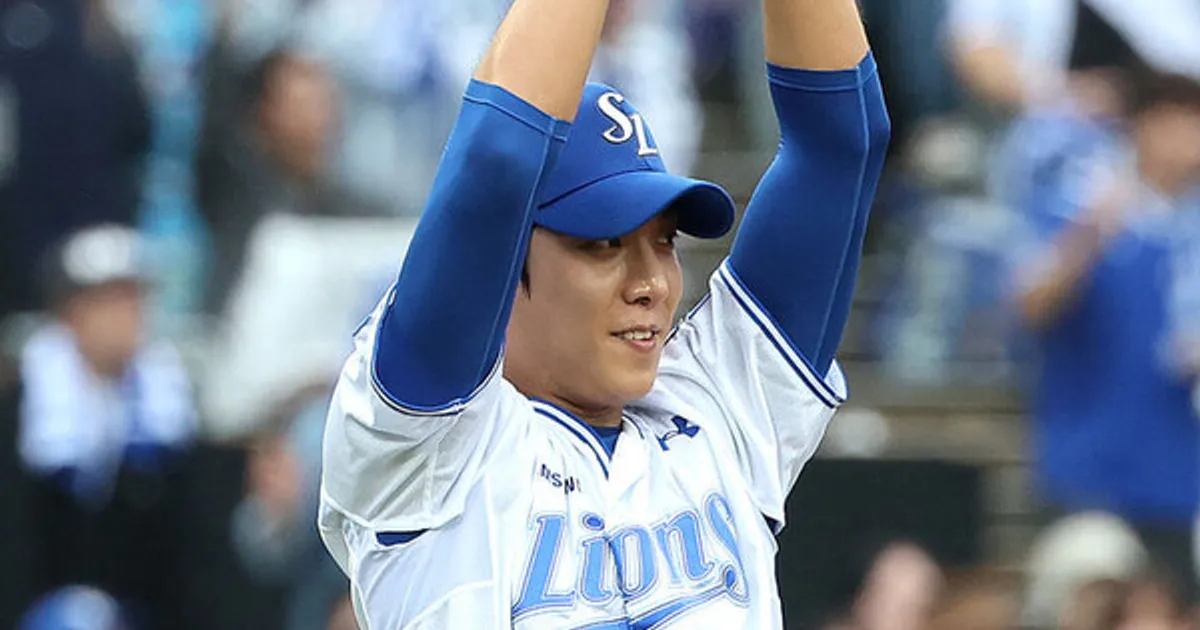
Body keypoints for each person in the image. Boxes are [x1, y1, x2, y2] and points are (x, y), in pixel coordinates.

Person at [317, 0, 889, 626]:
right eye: (604, 243)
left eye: (664, 241)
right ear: (502, 262)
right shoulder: (425, 447)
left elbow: (842, 144)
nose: (651, 284)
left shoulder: (720, 406)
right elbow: (499, 158)